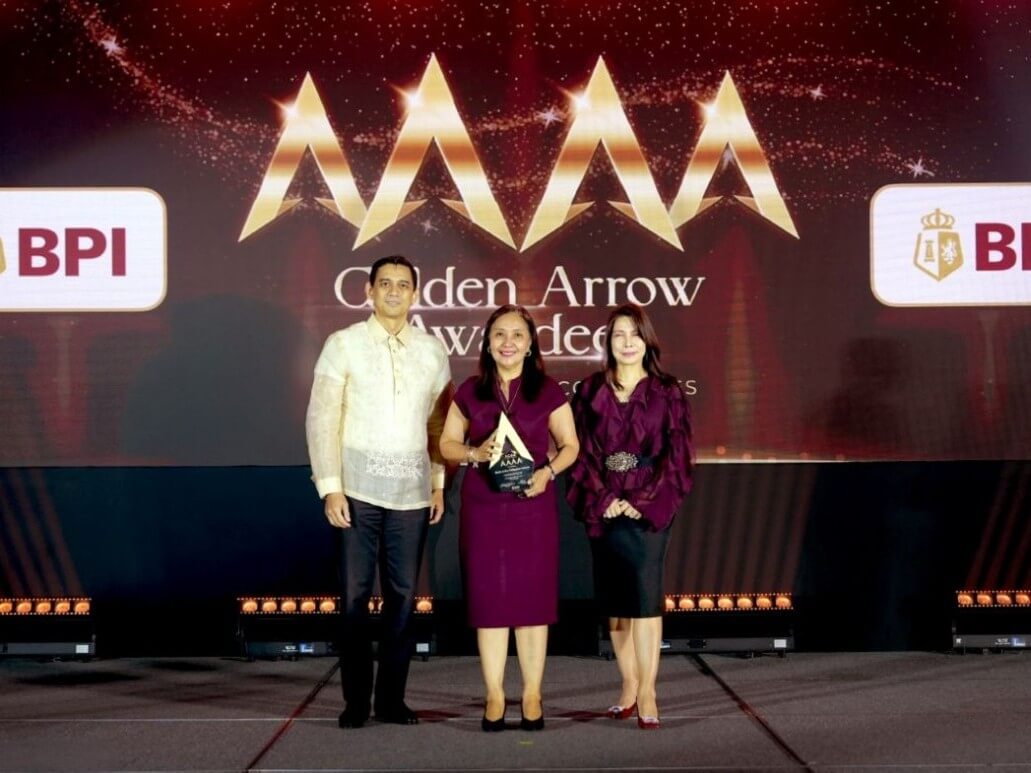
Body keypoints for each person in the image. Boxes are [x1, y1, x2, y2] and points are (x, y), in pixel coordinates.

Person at [305, 255, 451, 729]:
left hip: (411, 494)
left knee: (404, 599)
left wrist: (437, 481)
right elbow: (322, 417)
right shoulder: (343, 344)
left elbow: (437, 425)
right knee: (353, 599)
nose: (393, 291)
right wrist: (330, 488)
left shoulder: (432, 351)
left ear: (415, 294)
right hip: (357, 492)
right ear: (368, 291)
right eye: (384, 283)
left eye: (403, 284)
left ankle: (391, 700)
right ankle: (354, 703)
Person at [439, 304, 579, 732]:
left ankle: (533, 693)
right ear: (487, 341)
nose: (508, 343)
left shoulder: (549, 390)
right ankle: (495, 694)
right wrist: (472, 454)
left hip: (532, 509)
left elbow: (570, 446)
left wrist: (547, 473)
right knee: (491, 605)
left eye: (517, 334)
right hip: (483, 511)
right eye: (499, 334)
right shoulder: (469, 390)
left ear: (531, 342)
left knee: (532, 606)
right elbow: (446, 444)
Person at [567, 303, 694, 729]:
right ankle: (627, 684)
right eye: (618, 334)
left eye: (634, 335)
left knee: (644, 601)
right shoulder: (587, 392)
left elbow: (678, 457)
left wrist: (639, 499)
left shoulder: (668, 392)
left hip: (648, 509)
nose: (626, 343)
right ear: (608, 341)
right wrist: (605, 499)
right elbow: (579, 453)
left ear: (647, 341)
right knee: (616, 604)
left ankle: (649, 690)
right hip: (602, 507)